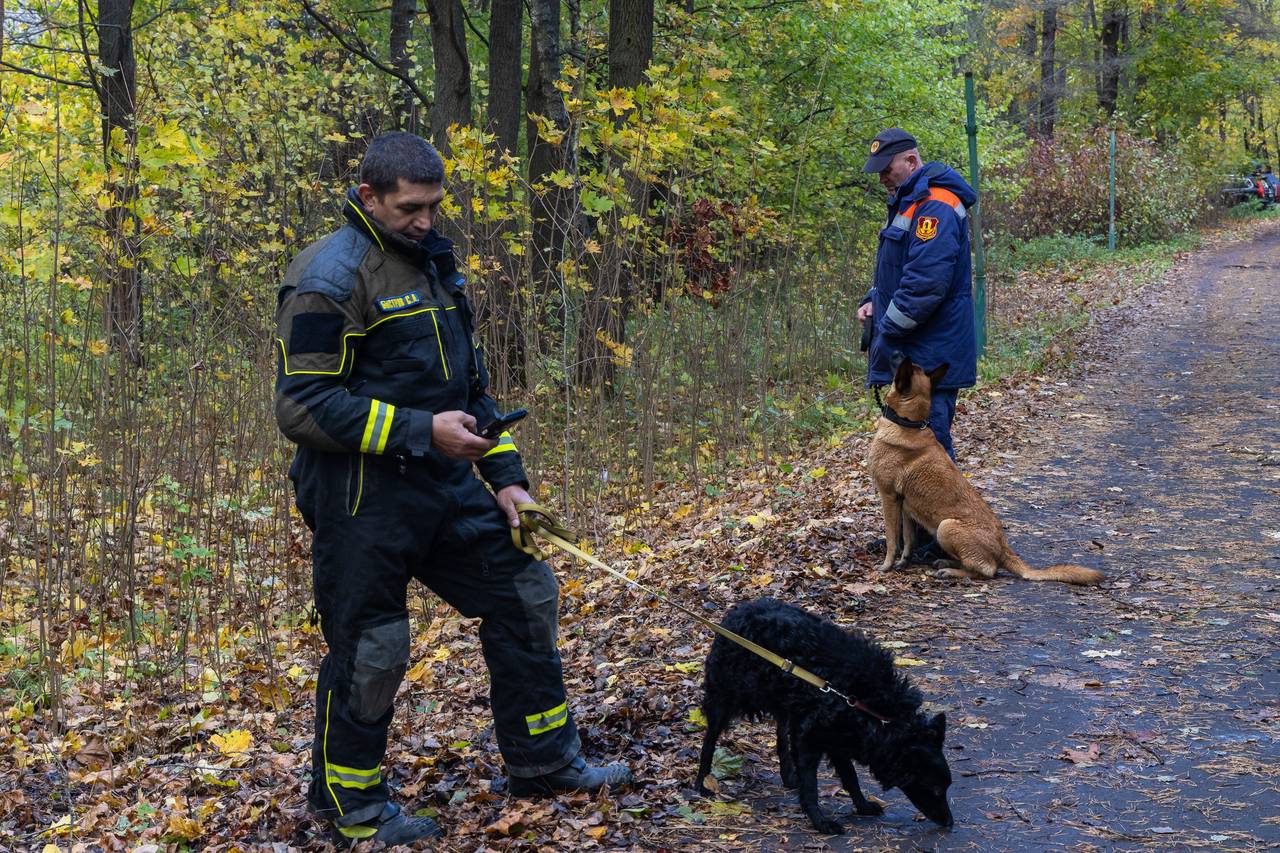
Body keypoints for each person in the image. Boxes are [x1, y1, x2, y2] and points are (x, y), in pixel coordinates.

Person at [275, 132, 633, 845]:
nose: (427, 220)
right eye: (412, 207)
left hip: (445, 483)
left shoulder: (434, 262)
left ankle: (543, 761)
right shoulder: (326, 275)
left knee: (529, 587)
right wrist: (420, 430)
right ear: (369, 195)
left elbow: (472, 391)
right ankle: (352, 807)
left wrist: (509, 480)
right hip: (358, 499)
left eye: (435, 205)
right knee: (374, 648)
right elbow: (302, 406)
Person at [857, 128, 978, 563]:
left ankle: (934, 539)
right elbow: (897, 273)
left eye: (887, 169)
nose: (882, 178)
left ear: (910, 160)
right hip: (916, 347)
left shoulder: (935, 206)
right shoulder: (908, 202)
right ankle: (913, 536)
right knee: (910, 454)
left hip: (932, 350)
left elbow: (925, 284)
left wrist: (888, 329)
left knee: (931, 450)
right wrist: (872, 302)